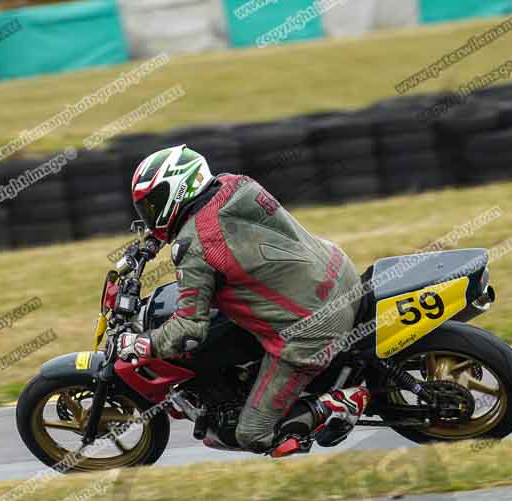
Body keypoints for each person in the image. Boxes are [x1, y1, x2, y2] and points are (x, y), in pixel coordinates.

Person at [116, 145, 370, 457]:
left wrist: (141, 344)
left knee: (252, 434)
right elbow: (201, 221)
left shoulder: (194, 249)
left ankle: (339, 401)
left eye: (153, 205)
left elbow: (188, 328)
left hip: (312, 327)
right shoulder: (234, 185)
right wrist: (154, 240)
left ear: (178, 189)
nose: (150, 214)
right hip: (337, 272)